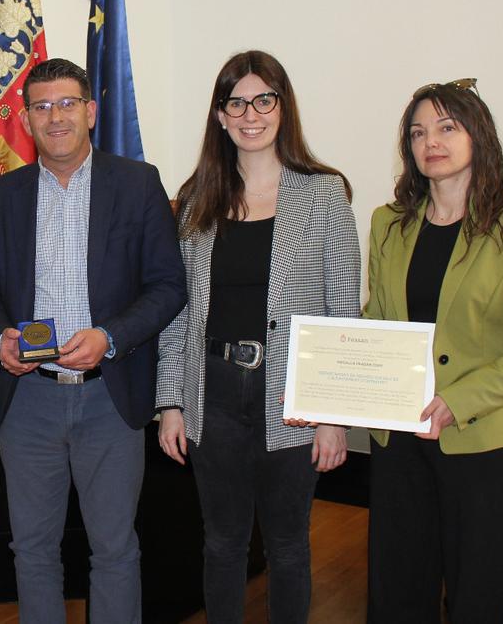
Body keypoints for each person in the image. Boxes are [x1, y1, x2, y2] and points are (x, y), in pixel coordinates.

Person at [0, 57, 186, 623]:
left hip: (109, 396)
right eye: (41, 106)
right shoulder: (2, 195)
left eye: (67, 104)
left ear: (90, 111)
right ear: (26, 118)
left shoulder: (138, 184)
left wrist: (111, 337)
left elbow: (167, 287)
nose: (55, 116)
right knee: (32, 549)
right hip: (29, 399)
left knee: (114, 549)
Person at [154, 50, 360, 623]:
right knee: (221, 543)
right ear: (220, 115)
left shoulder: (324, 195)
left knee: (289, 544)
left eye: (263, 99)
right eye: (236, 101)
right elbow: (177, 313)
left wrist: (332, 413)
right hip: (211, 391)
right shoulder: (197, 197)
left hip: (292, 393)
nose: (251, 113)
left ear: (282, 107)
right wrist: (171, 403)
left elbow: (343, 311)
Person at [364, 79, 503, 623]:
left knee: (476, 596)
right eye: (418, 132)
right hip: (399, 440)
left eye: (447, 127)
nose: (431, 140)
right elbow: (376, 325)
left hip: (480, 438)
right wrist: (330, 389)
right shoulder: (388, 225)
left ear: (478, 135)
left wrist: (460, 399)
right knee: (396, 592)